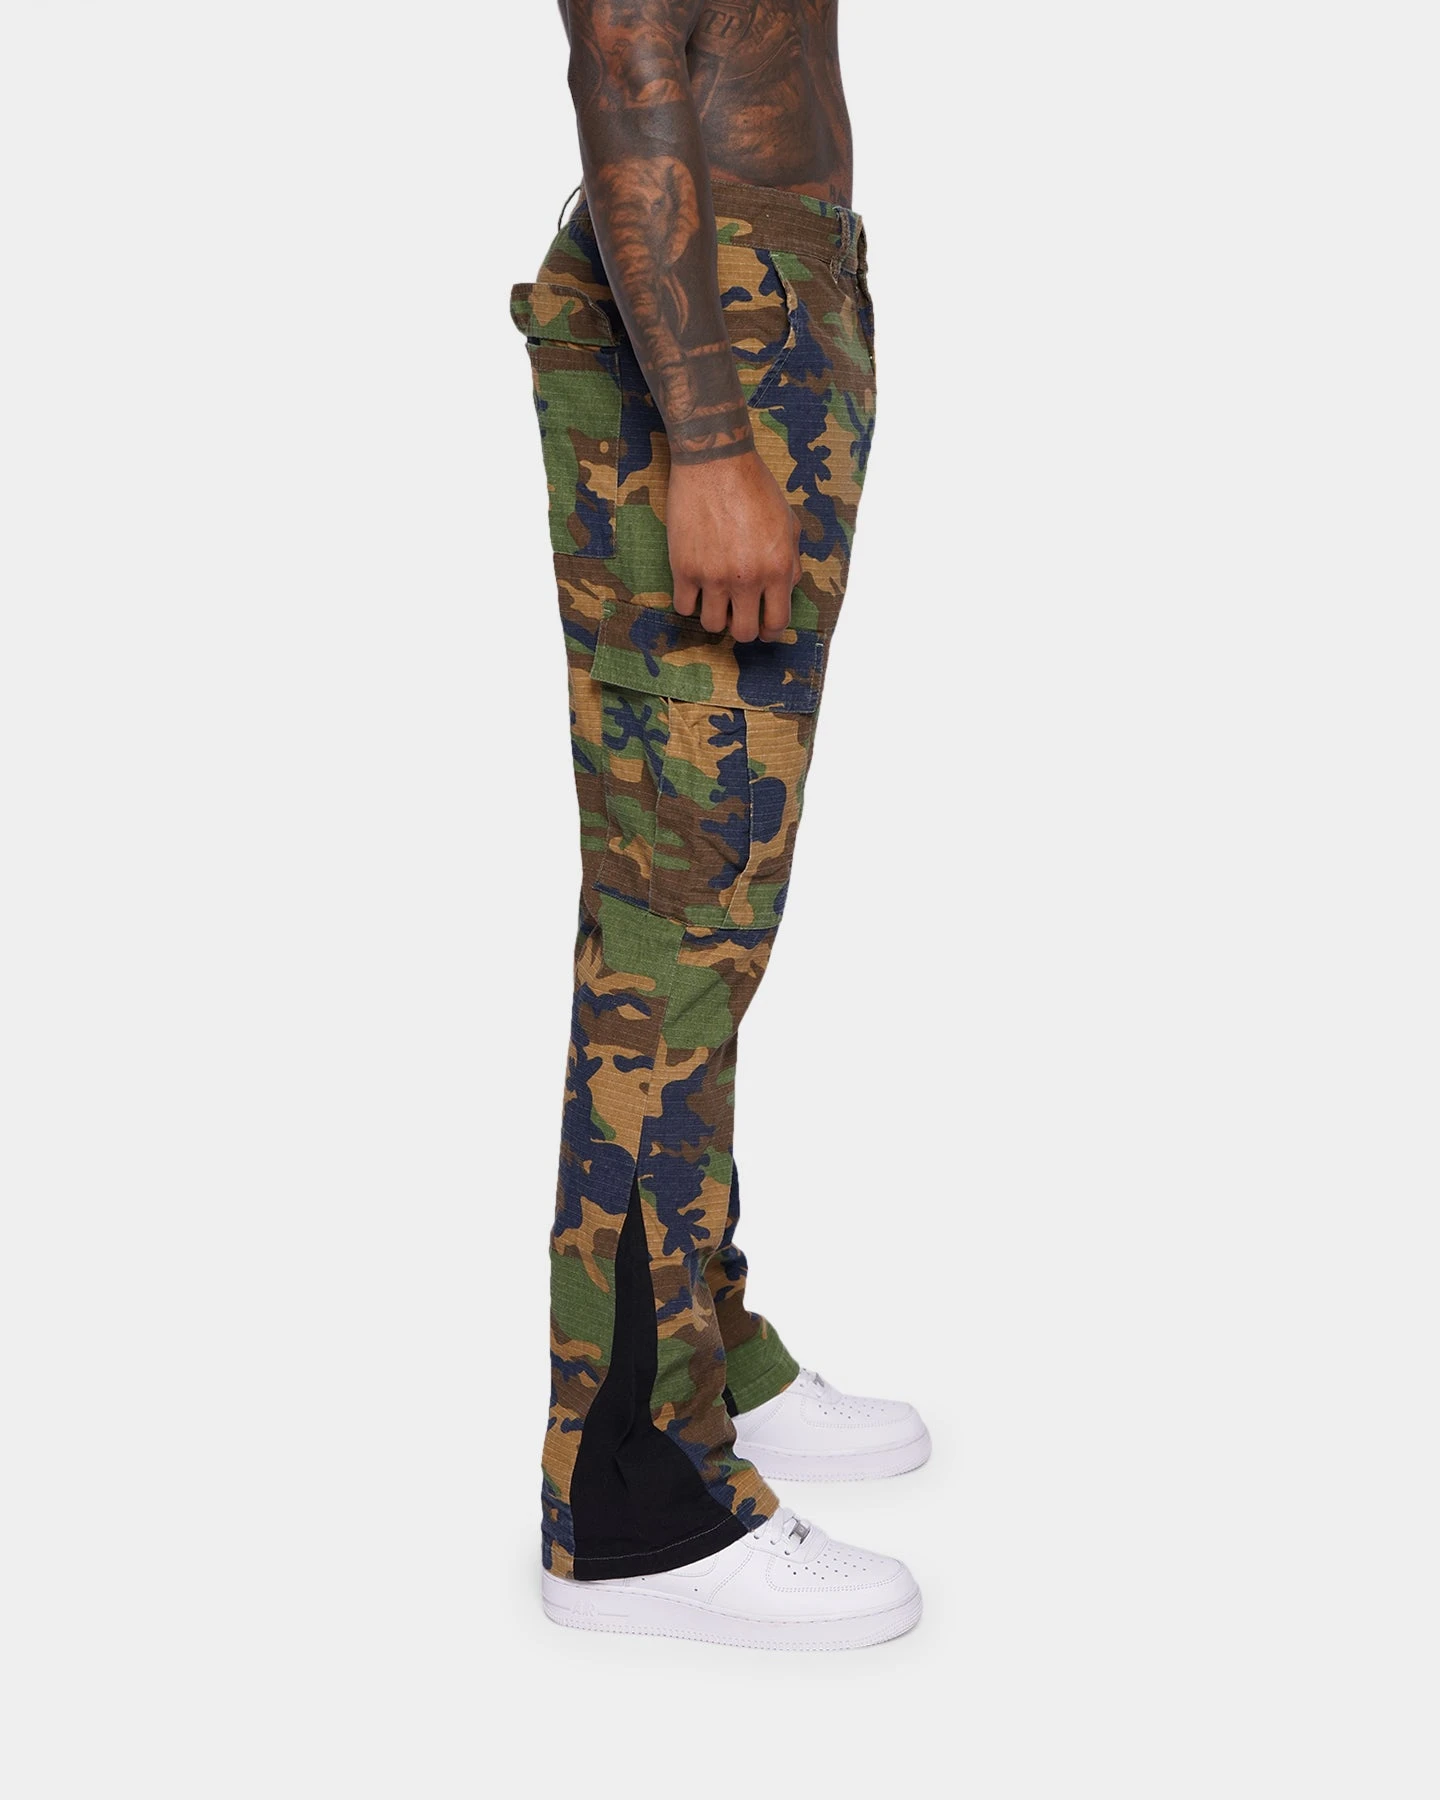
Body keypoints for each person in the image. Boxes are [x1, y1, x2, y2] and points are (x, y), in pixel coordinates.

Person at [511, 0, 926, 1650]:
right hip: (703, 324)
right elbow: (626, 47)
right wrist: (703, 434)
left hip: (770, 293)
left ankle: (700, 1340)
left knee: (714, 911)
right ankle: (634, 1495)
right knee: (674, 920)